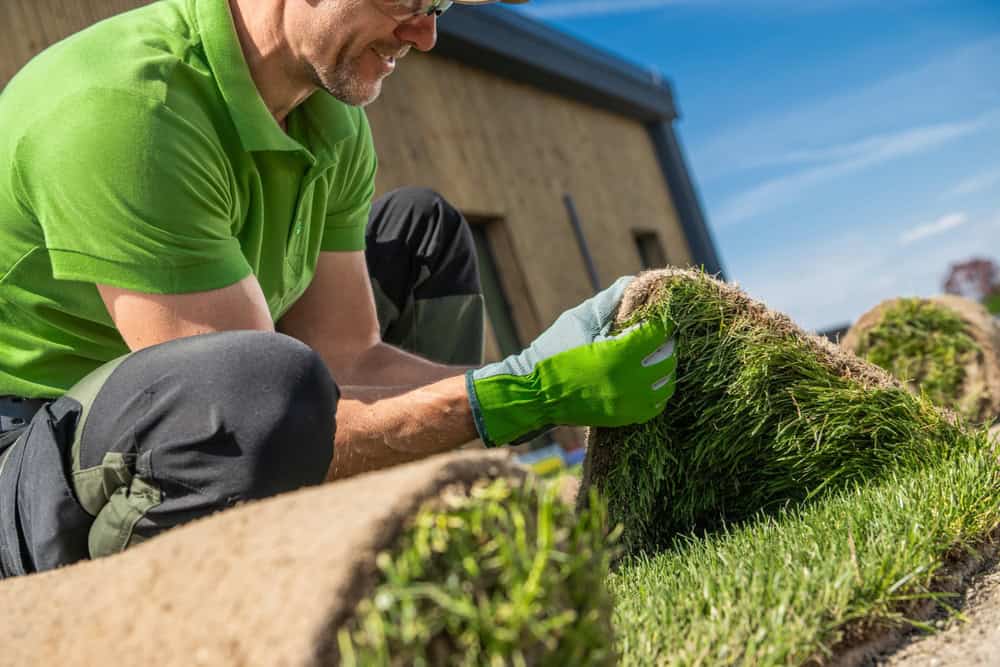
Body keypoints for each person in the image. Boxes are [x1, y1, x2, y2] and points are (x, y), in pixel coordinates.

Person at [0, 0, 677, 579]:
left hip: (213, 394)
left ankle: (428, 504)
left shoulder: (332, 118)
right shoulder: (127, 112)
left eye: (438, 7)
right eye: (410, 0)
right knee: (261, 388)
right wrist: (507, 397)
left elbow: (348, 354)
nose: (425, 35)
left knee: (419, 228)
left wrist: (533, 387)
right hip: (32, 446)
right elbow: (241, 415)